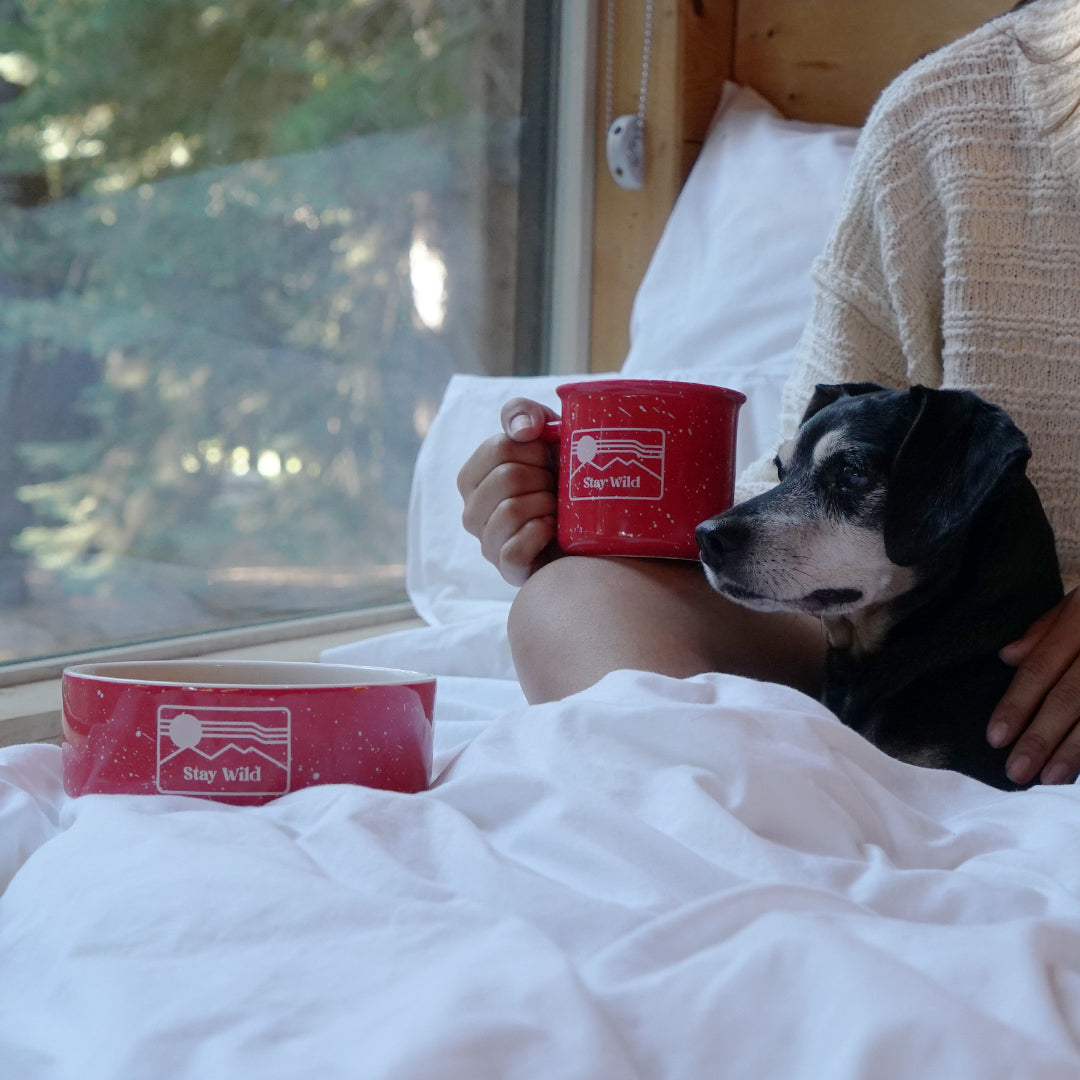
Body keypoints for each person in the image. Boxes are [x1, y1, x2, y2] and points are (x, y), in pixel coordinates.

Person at [457, 0, 1080, 787]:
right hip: (901, 622)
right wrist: (580, 514)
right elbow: (806, 482)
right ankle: (749, 823)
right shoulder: (941, 121)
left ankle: (766, 824)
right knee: (573, 599)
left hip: (1005, 654)